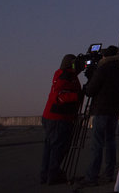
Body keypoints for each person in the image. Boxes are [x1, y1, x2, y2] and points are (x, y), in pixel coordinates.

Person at [80, 45, 119, 186]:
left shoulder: (102, 69)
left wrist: (91, 77)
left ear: (105, 56)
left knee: (97, 144)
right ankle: (109, 174)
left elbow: (90, 90)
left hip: (101, 109)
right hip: (114, 109)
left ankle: (92, 176)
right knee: (110, 142)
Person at [40, 54, 82, 185]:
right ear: (72, 64)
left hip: (53, 116)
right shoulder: (66, 75)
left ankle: (46, 175)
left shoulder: (63, 74)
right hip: (59, 117)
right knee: (58, 147)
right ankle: (52, 175)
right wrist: (77, 96)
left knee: (50, 147)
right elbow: (59, 96)